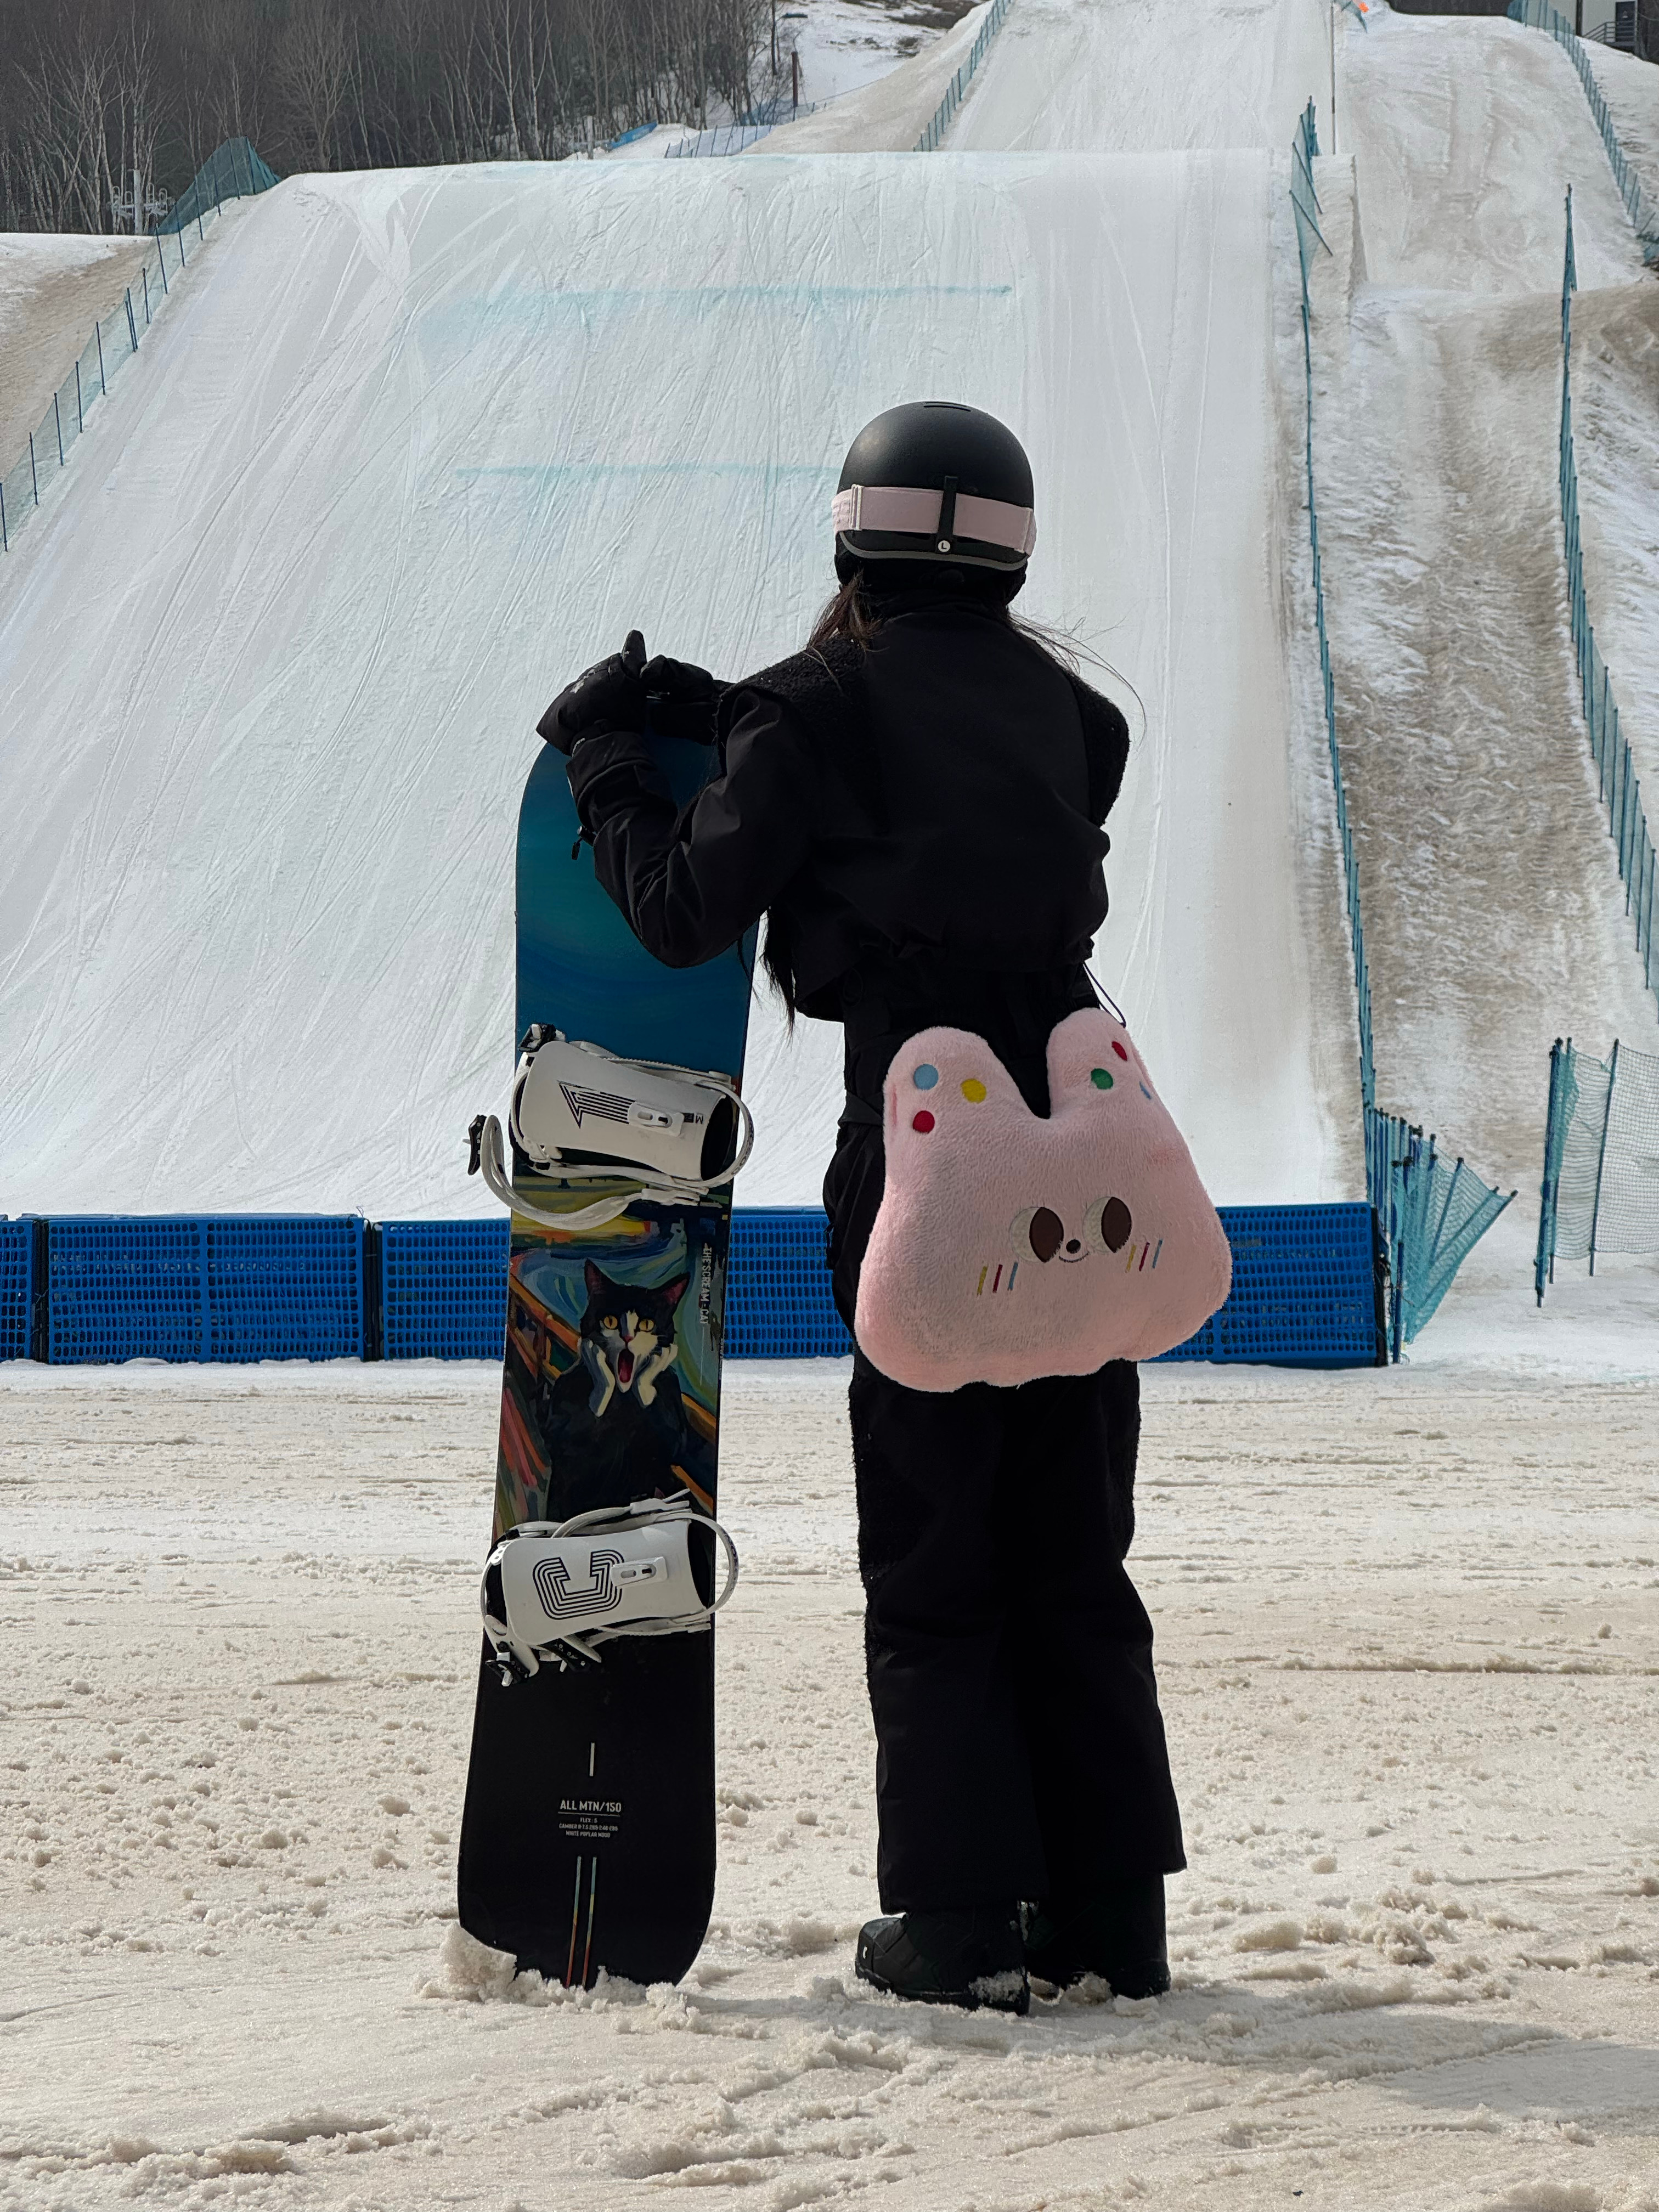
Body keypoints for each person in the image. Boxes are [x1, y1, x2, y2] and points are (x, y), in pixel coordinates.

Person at [539, 400, 1184, 2016]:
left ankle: (959, 1924)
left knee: (937, 1550)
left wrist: (614, 762)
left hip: (924, 1149)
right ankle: (1111, 1918)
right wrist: (745, 717)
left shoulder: (813, 707)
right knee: (1075, 1546)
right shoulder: (1082, 717)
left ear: (854, 535)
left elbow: (689, 907)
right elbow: (948, 788)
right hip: (1079, 1148)